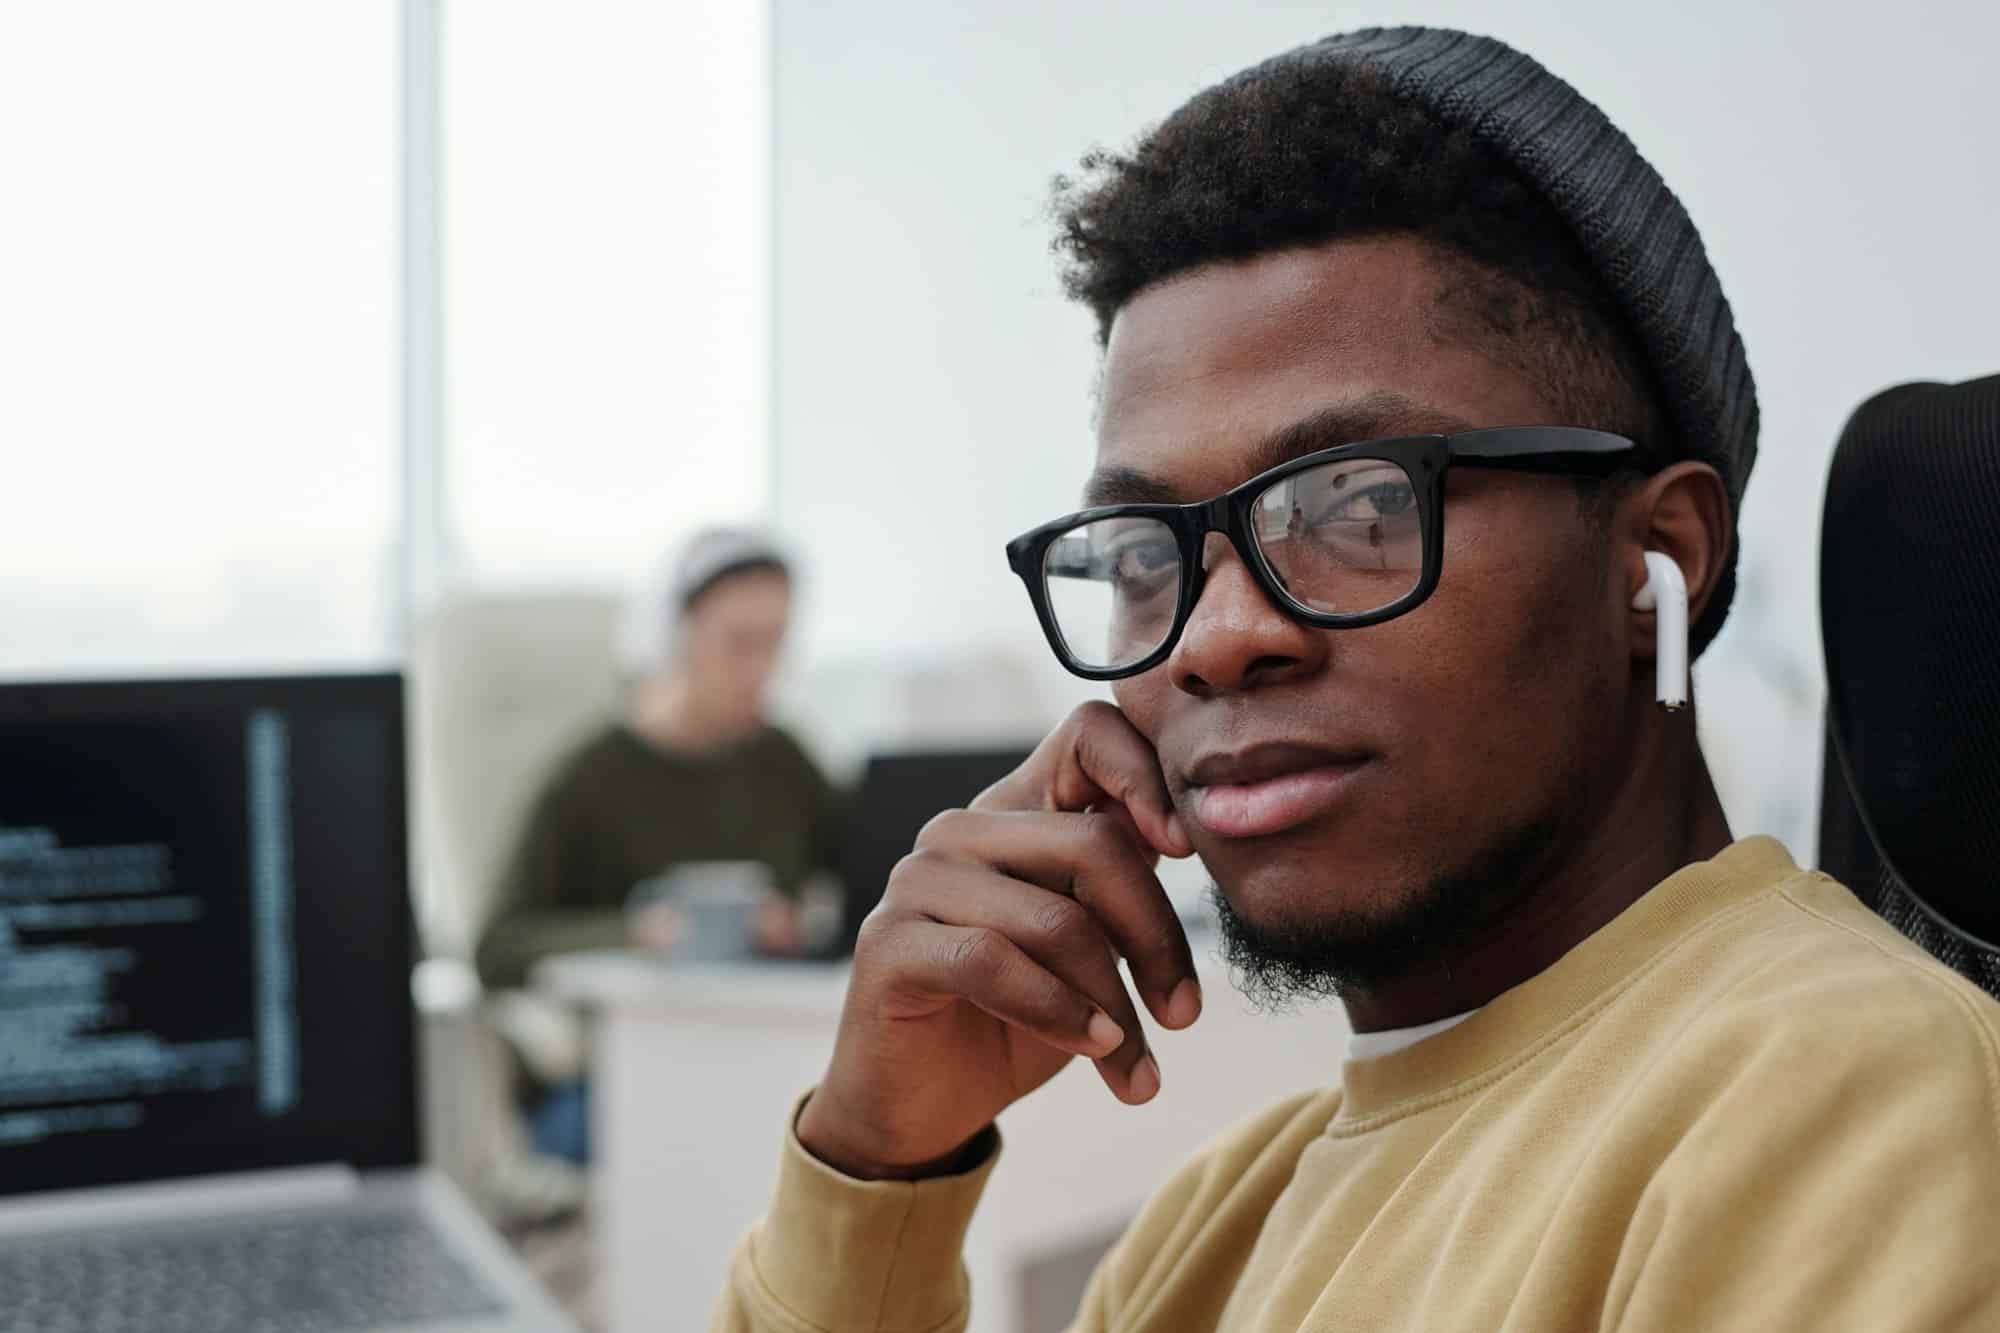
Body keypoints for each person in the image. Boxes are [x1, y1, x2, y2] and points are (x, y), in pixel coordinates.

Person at [712, 27, 2000, 1333]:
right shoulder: (1215, 1222)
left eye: (1356, 503)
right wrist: (878, 1158)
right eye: (1150, 555)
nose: (1214, 637)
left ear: (1652, 559)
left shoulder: (1848, 1095)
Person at [476, 527, 841, 1162]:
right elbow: (497, 946)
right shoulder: (586, 781)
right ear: (676, 638)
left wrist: (798, 927)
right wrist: (636, 934)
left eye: (776, 643)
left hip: (759, 1045)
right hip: (621, 1070)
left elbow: (861, 883)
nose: (762, 670)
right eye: (740, 644)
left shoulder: (784, 761)